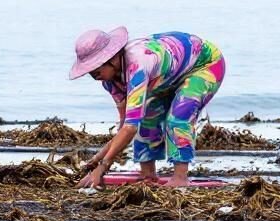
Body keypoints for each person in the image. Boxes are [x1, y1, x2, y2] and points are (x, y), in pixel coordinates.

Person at [70, 27, 225, 188]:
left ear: (113, 58)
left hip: (204, 64)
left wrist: (104, 166)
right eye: (89, 70)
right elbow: (126, 125)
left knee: (178, 117)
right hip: (165, 76)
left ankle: (180, 177)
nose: (93, 74)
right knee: (144, 116)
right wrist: (96, 161)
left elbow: (130, 129)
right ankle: (148, 173)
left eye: (96, 67)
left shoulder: (137, 65)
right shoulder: (110, 82)